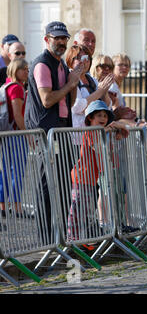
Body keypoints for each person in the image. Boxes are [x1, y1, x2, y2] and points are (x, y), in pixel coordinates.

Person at [25, 21, 83, 235]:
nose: (61, 42)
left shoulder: (60, 65)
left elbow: (70, 100)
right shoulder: (42, 64)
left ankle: (61, 234)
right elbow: (47, 100)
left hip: (61, 129)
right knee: (47, 184)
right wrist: (69, 84)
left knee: (65, 183)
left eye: (64, 38)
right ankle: (46, 237)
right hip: (46, 131)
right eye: (56, 38)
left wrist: (74, 81)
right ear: (46, 39)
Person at [67, 100, 129, 241]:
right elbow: (97, 147)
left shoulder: (102, 132)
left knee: (87, 209)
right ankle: (72, 238)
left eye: (105, 116)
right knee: (77, 209)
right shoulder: (91, 132)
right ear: (90, 118)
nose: (103, 119)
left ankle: (82, 237)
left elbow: (126, 133)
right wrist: (106, 131)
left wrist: (117, 126)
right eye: (99, 116)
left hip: (91, 177)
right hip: (82, 176)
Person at [65, 45, 114, 140]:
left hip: (94, 137)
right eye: (80, 58)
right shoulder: (69, 78)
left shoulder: (92, 80)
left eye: (87, 58)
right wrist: (99, 92)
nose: (84, 61)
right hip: (77, 138)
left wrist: (104, 91)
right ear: (70, 60)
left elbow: (107, 107)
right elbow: (77, 106)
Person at [0, 59, 29, 218]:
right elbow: (18, 115)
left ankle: (3, 206)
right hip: (16, 134)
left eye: (27, 69)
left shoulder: (6, 86)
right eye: (23, 69)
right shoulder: (17, 88)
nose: (26, 71)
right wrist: (27, 134)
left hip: (6, 134)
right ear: (15, 70)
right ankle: (17, 207)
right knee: (17, 172)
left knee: (6, 171)